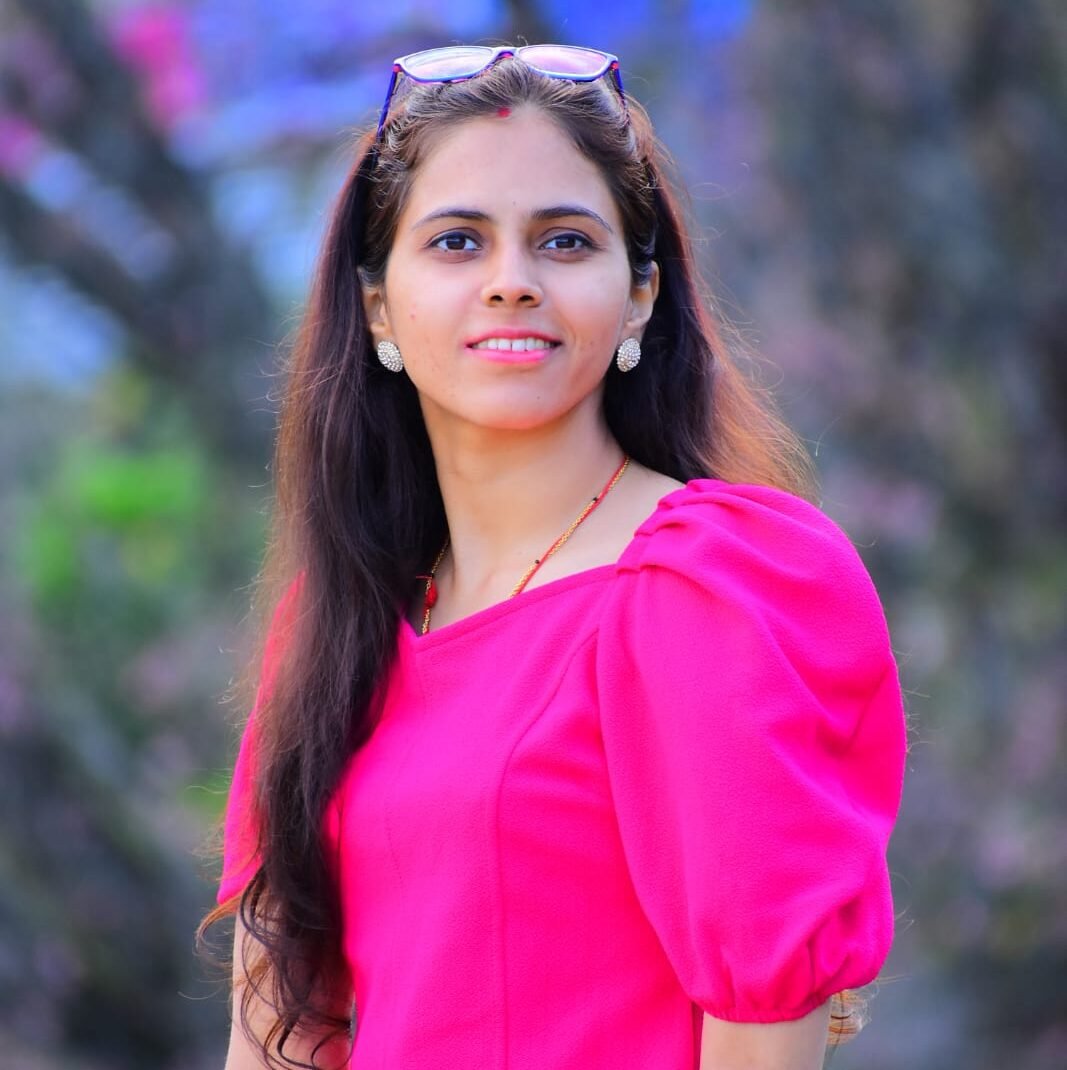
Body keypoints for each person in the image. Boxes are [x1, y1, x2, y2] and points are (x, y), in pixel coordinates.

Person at [199, 44, 907, 1070]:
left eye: (564, 241)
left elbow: (761, 1030)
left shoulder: (704, 582)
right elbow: (274, 1029)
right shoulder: (338, 619)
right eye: (456, 241)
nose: (510, 284)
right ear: (378, 305)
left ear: (639, 296)